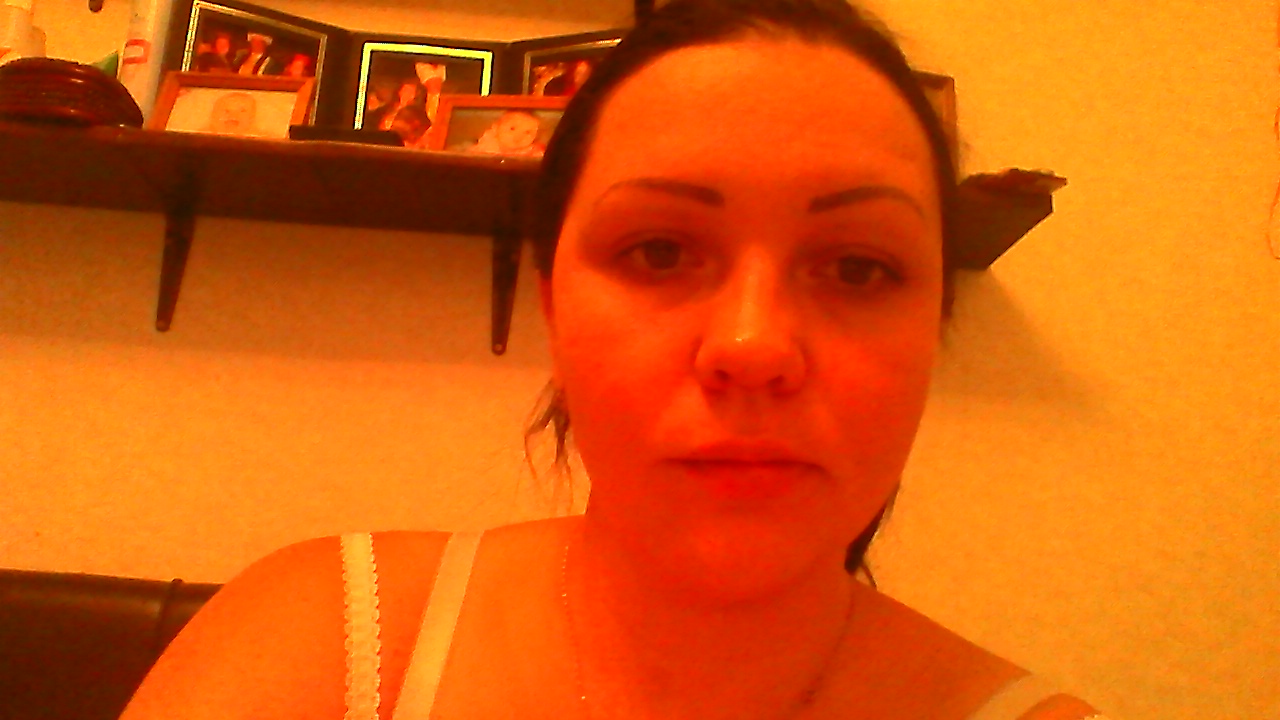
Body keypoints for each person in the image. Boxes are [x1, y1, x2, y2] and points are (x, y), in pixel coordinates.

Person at [120, 1, 1113, 719]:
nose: (752, 346)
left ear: (934, 324)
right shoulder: (329, 639)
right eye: (660, 251)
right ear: (554, 302)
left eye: (857, 267)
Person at [463, 109, 546, 157]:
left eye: (528, 132)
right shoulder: (485, 148)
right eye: (512, 129)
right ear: (495, 128)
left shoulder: (533, 153)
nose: (519, 136)